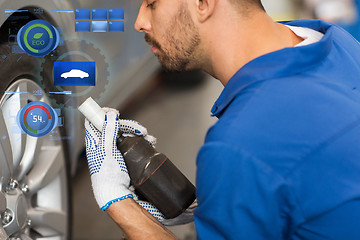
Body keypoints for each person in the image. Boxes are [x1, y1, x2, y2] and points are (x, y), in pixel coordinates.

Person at [84, 0, 360, 239]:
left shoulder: (239, 144)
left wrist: (119, 203)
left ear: (203, 3)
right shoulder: (334, 41)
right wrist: (215, 201)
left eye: (152, 4)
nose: (140, 22)